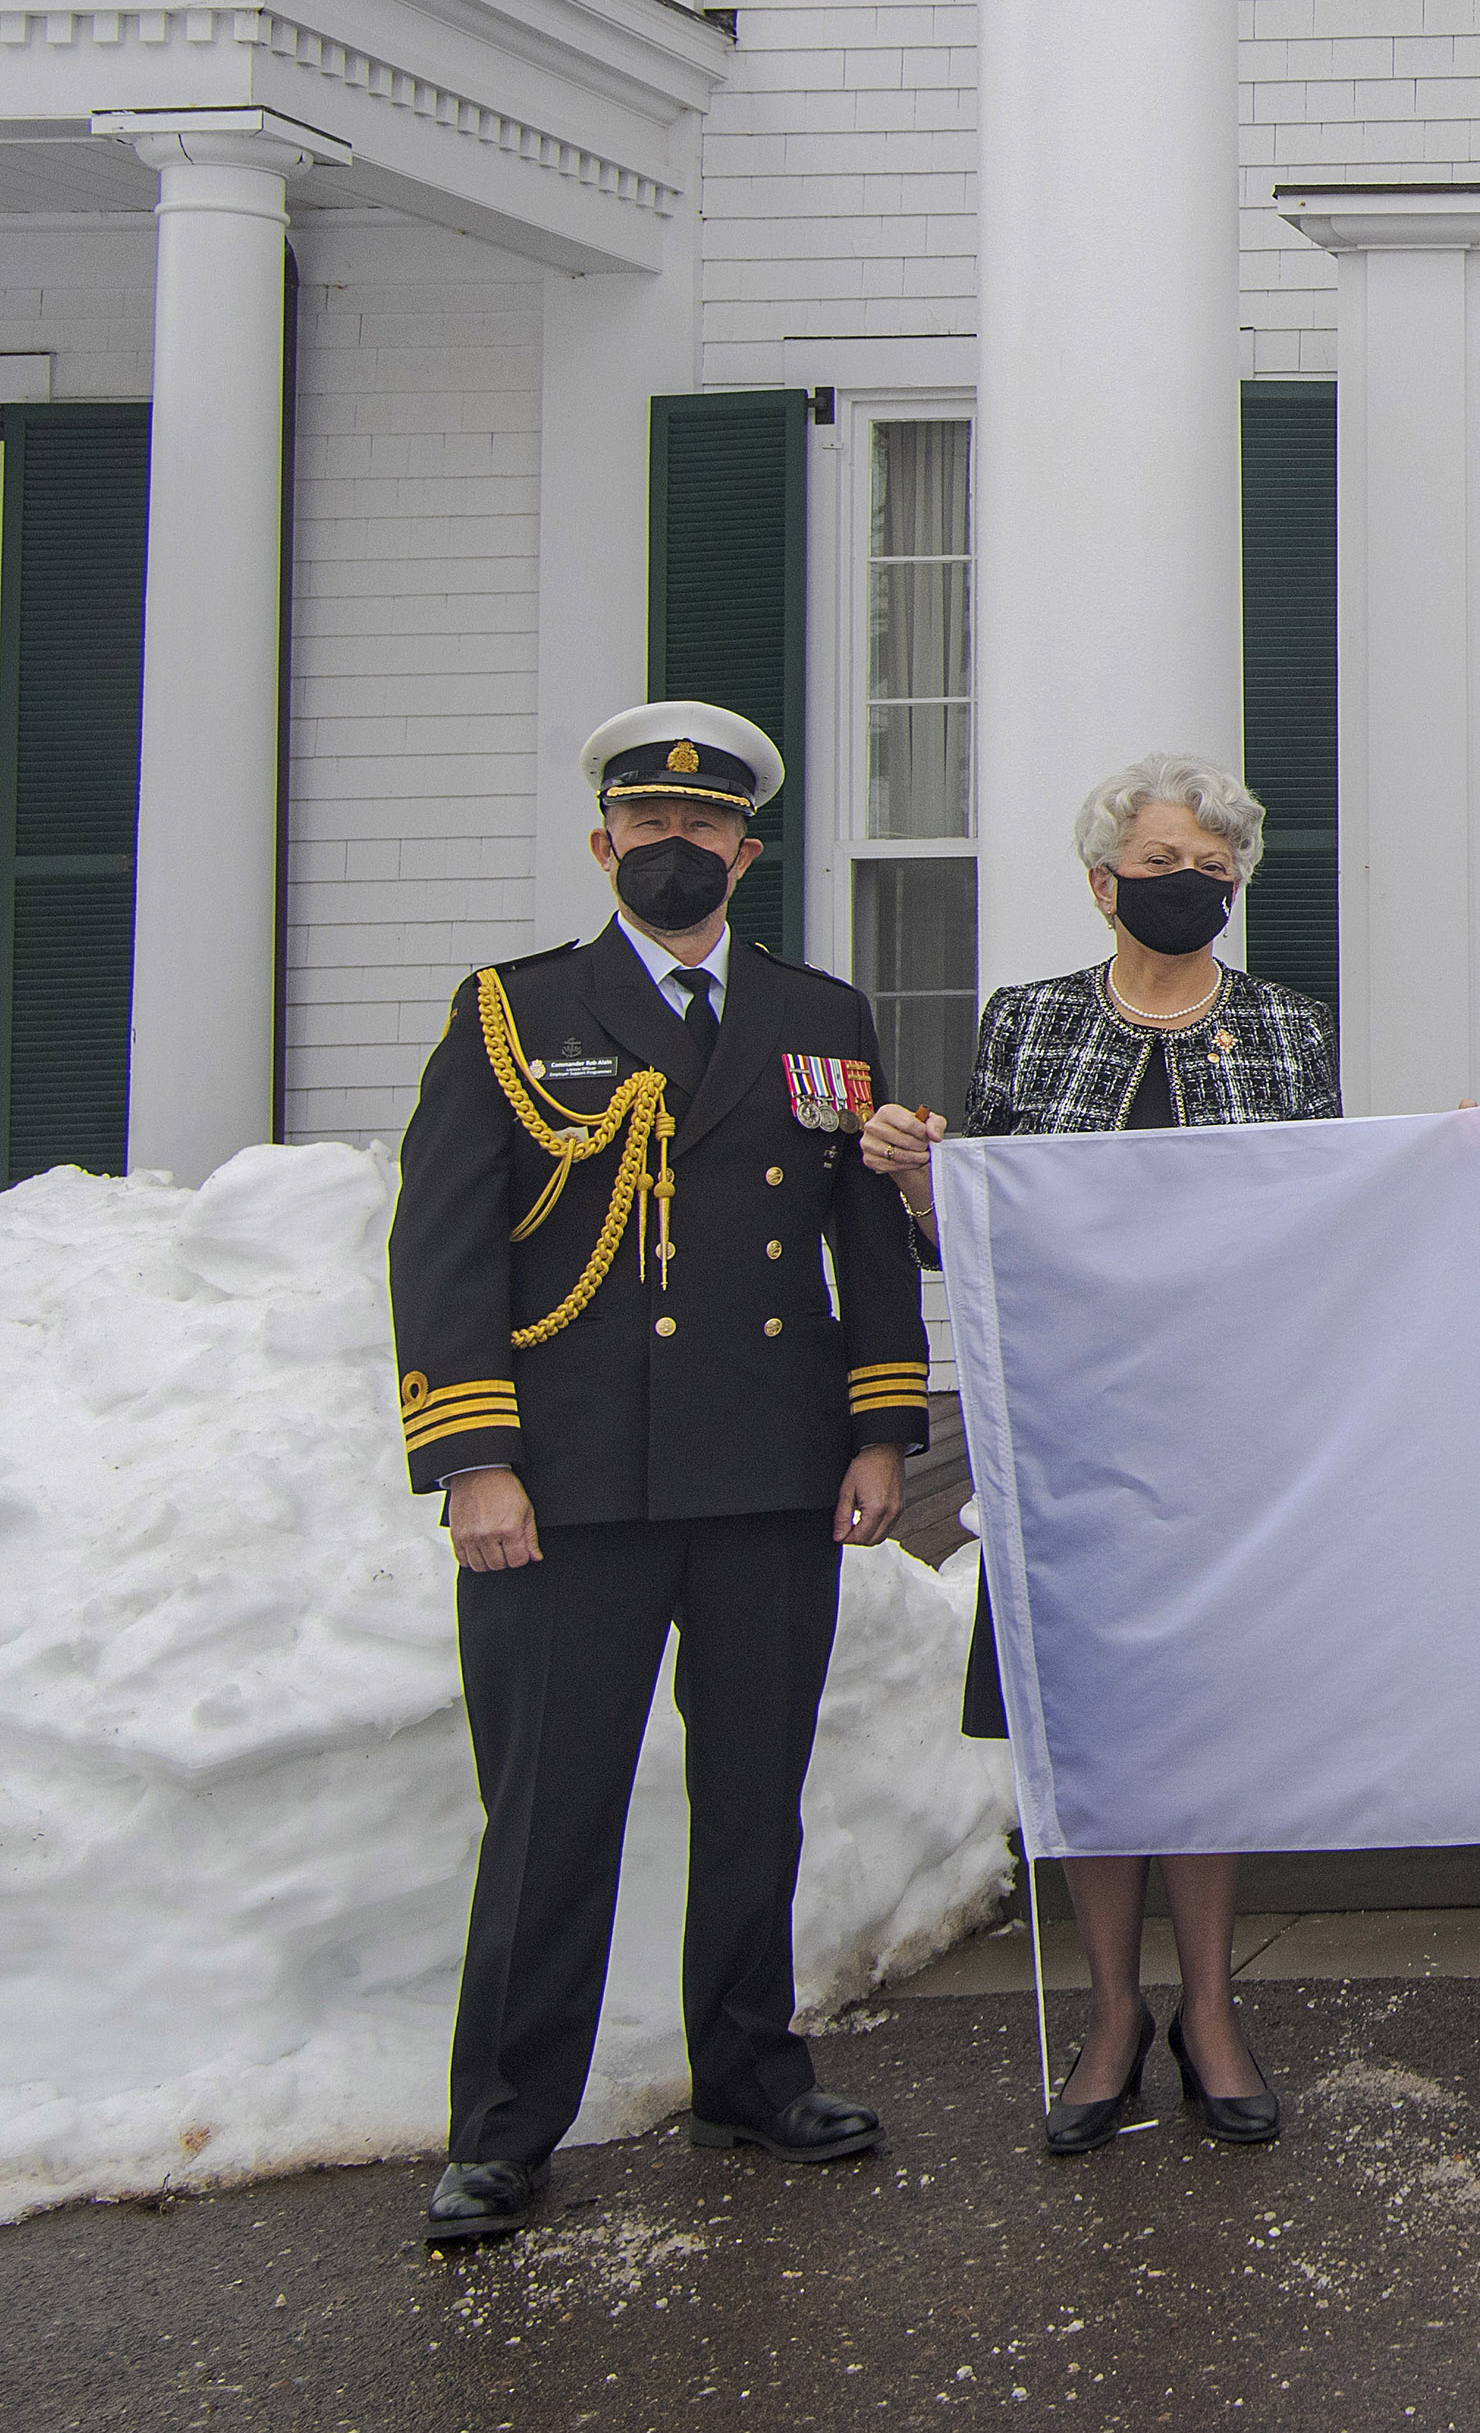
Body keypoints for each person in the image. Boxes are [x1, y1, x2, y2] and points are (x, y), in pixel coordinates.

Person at [387, 702, 925, 2248]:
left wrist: (881, 1429)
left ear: (747, 852)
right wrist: (473, 1461)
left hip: (767, 1472)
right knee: (552, 1812)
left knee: (757, 1798)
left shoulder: (820, 1015)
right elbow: (440, 1259)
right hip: (567, 1491)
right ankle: (502, 2126)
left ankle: (753, 2073)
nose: (675, 847)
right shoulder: (510, 1011)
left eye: (706, 830)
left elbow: (864, 1244)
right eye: (648, 825)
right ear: (603, 841)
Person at [861, 754, 1339, 2155]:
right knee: (1088, 1719)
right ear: (1101, 882)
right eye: (1162, 862)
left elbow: (1319, 1225)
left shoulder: (1290, 1032)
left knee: (1205, 1722)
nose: (1187, 884)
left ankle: (1210, 2007)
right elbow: (979, 1237)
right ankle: (1113, 2013)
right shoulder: (1028, 1025)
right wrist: (913, 1180)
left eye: (1211, 866)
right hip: (1062, 1434)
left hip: (1225, 1433)